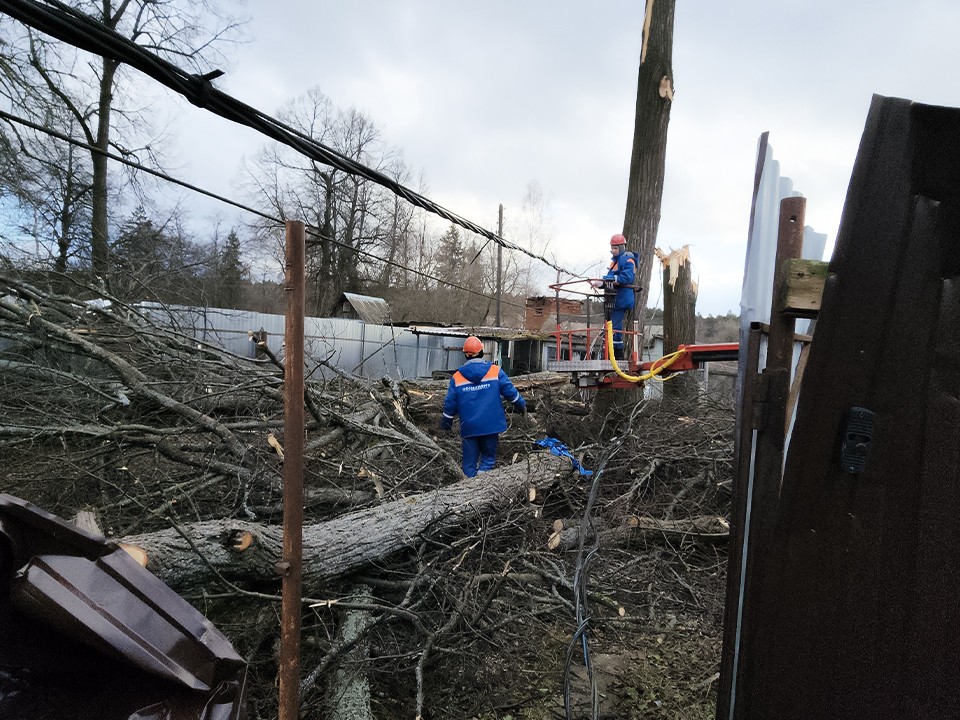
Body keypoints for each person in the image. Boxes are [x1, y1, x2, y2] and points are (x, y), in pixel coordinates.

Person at [439, 336, 526, 477]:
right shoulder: (495, 371)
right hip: (491, 426)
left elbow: (450, 403)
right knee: (488, 459)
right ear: (481, 352)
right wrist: (522, 406)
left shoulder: (457, 377)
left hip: (469, 427)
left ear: (465, 354)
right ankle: (479, 485)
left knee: (468, 464)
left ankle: (469, 487)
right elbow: (511, 392)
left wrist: (446, 423)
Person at [603, 233, 637, 358]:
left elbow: (627, 277)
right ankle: (609, 354)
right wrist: (601, 283)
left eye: (615, 248)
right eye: (612, 248)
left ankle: (617, 356)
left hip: (622, 300)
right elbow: (610, 278)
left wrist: (611, 279)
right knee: (610, 327)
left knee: (614, 328)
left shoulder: (628, 260)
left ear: (622, 247)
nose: (613, 251)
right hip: (614, 300)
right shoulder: (615, 262)